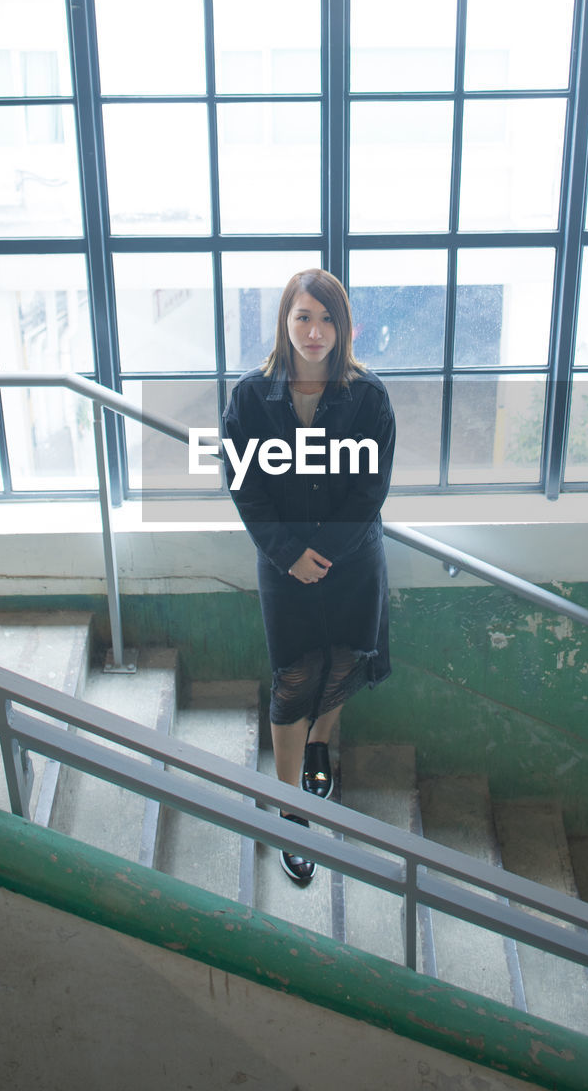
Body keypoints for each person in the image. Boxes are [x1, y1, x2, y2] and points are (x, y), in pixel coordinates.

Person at [222, 269, 395, 886]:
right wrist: (292, 553)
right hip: (283, 566)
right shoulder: (248, 398)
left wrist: (323, 550)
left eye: (327, 320)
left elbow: (370, 489)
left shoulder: (369, 397)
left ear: (343, 327)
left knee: (344, 661)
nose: (315, 332)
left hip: (353, 561)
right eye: (303, 317)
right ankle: (292, 810)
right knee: (295, 677)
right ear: (285, 322)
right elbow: (245, 487)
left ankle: (322, 745)